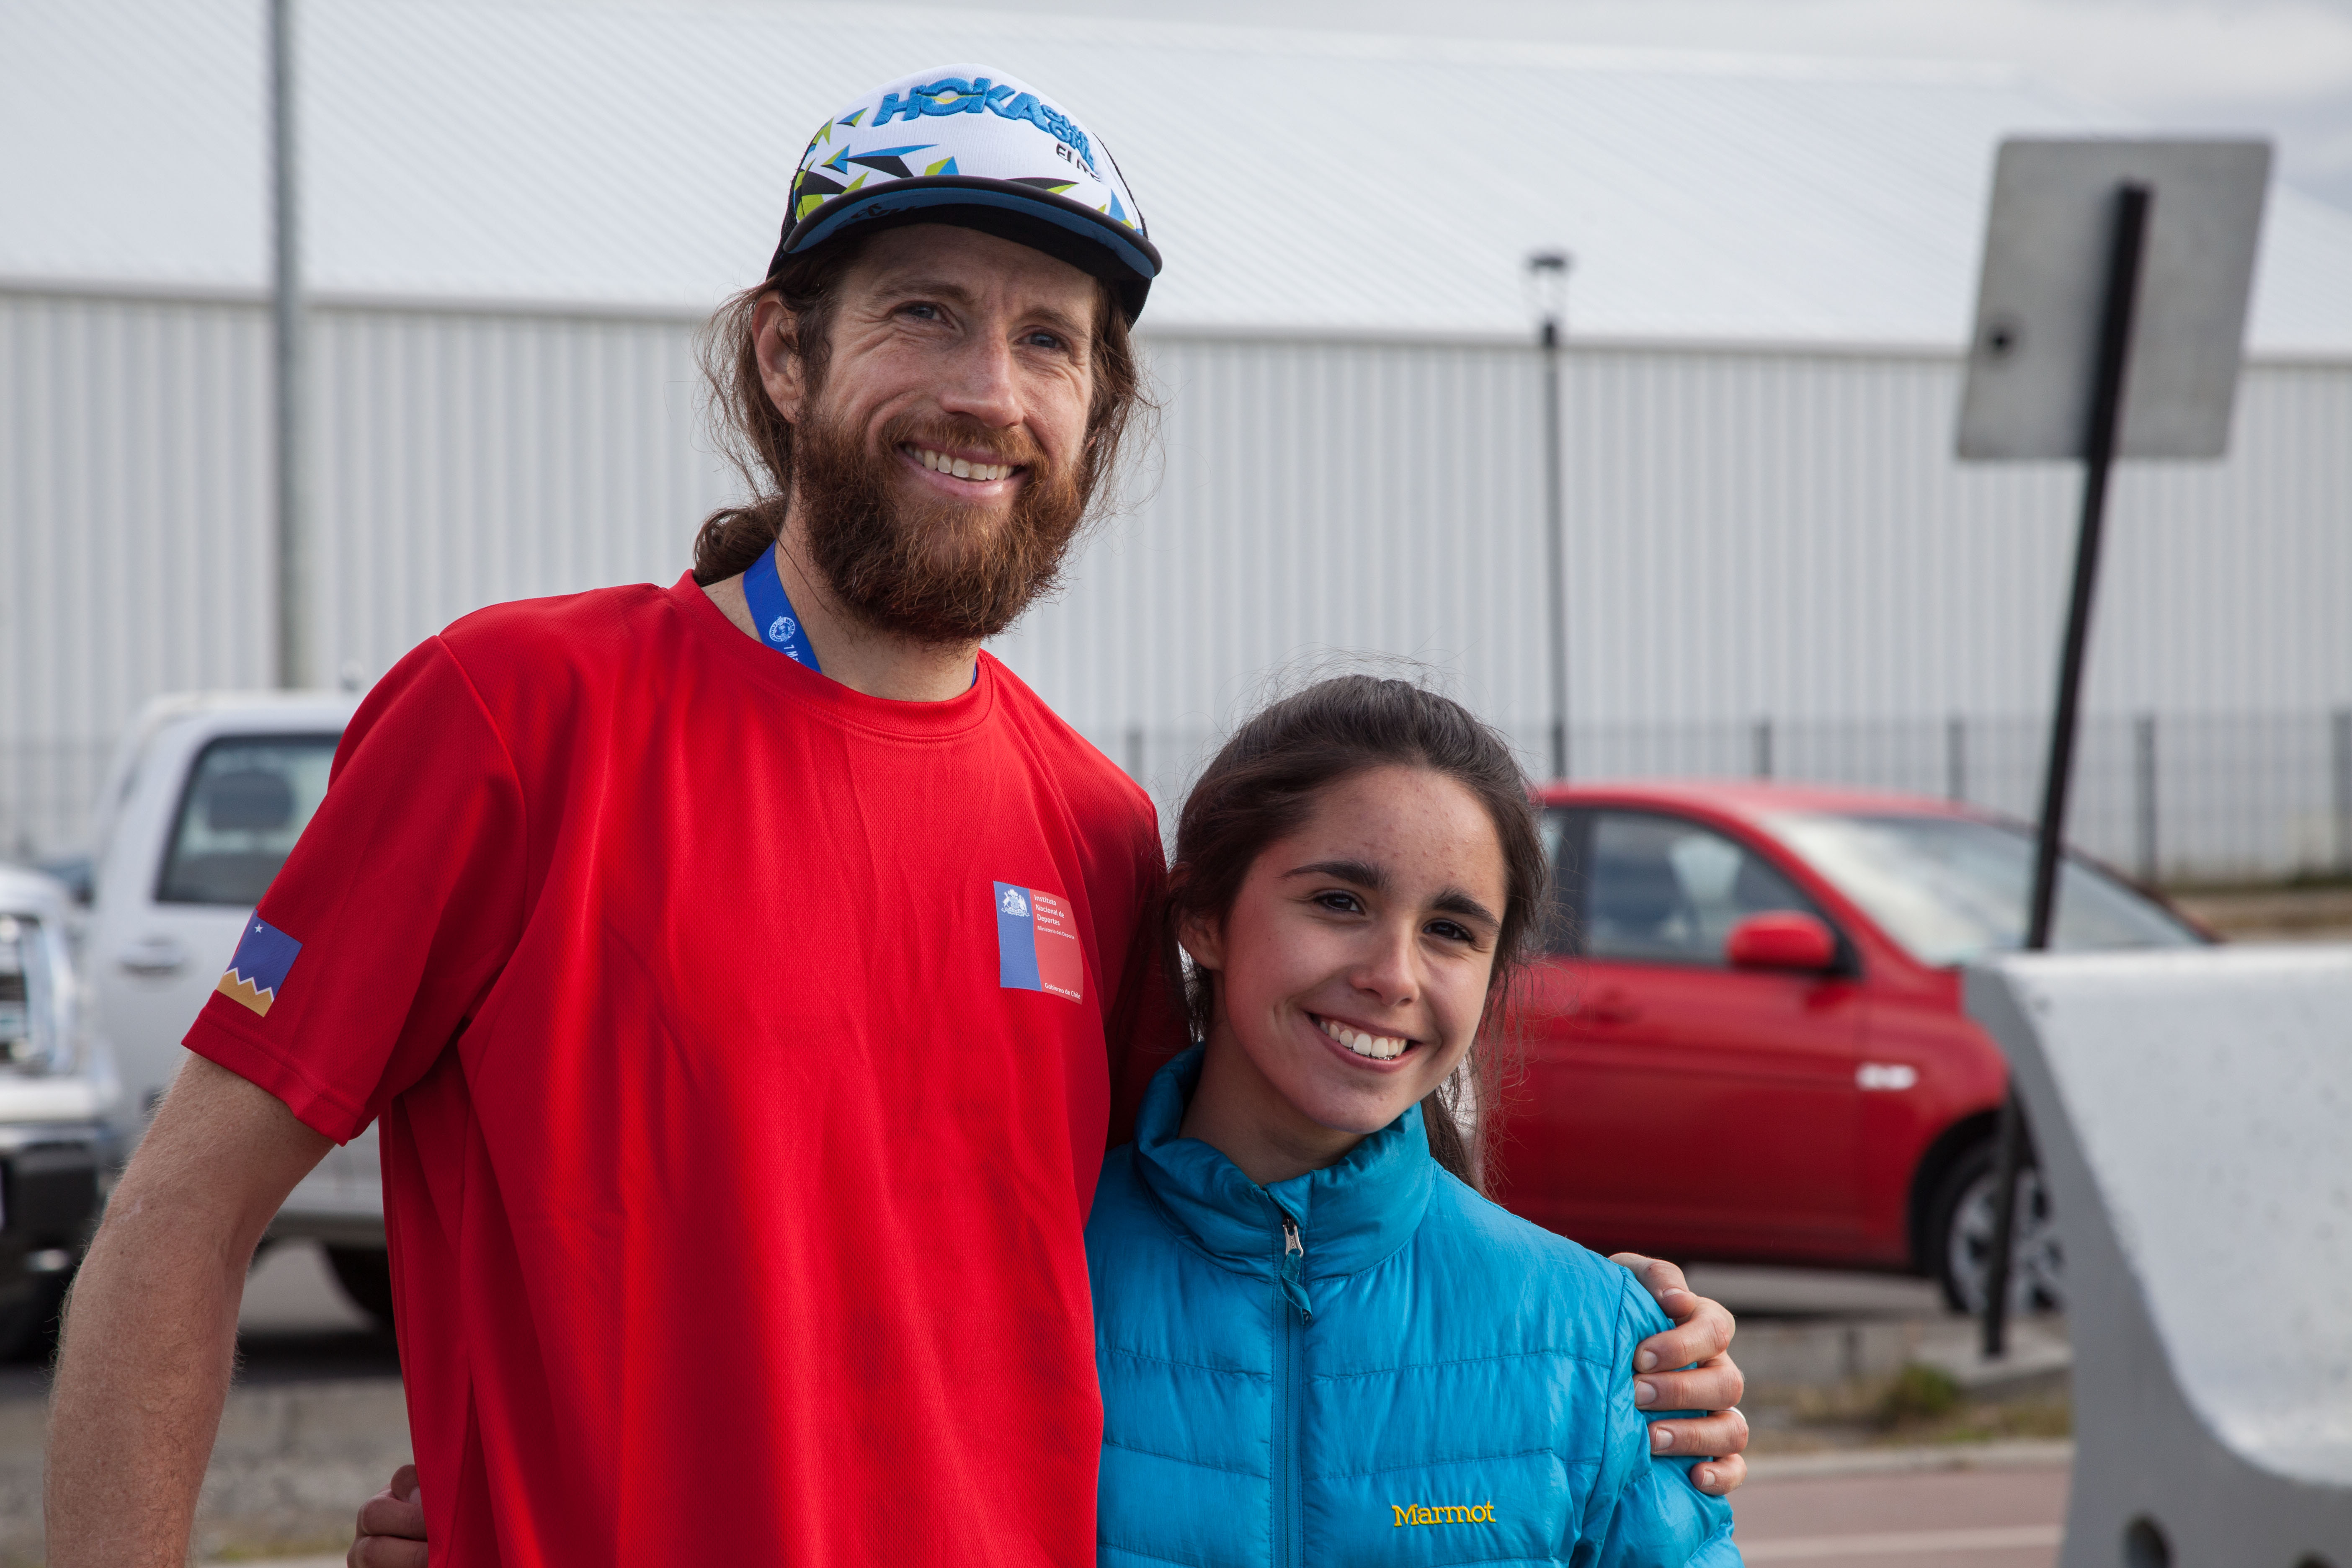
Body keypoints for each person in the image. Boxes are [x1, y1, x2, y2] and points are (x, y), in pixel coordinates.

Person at [45, 63, 1746, 1568]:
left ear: (1095, 409)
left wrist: (1609, 1343)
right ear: (786, 353)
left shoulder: (1093, 827)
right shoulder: (514, 715)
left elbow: (1240, 1239)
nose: (988, 390)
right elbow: (181, 1219)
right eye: (924, 313)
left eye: (1048, 340)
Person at [1088, 675, 1738, 1564]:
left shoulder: (1598, 1342)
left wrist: (1604, 1325)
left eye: (1450, 931)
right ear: (1203, 915)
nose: (1394, 976)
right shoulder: (1032, 1283)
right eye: (1339, 902)